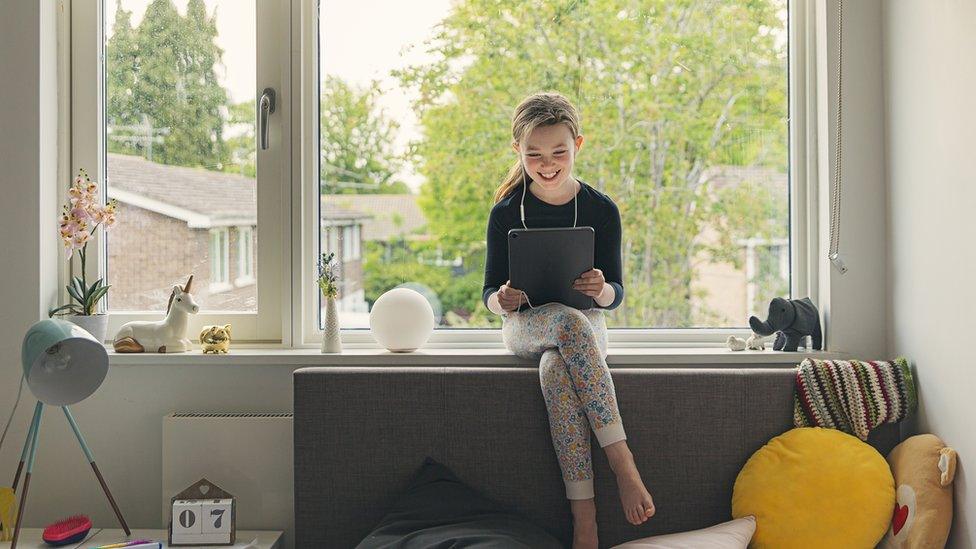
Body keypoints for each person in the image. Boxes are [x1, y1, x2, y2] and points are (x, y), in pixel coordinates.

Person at [482, 91, 655, 549]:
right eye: (534, 154)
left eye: (559, 151)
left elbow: (615, 294)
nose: (548, 163)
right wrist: (502, 299)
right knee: (564, 321)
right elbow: (488, 295)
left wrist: (602, 289)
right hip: (527, 324)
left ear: (578, 144)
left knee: (557, 367)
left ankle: (585, 518)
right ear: (516, 151)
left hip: (584, 323)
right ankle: (623, 464)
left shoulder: (602, 209)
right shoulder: (505, 212)